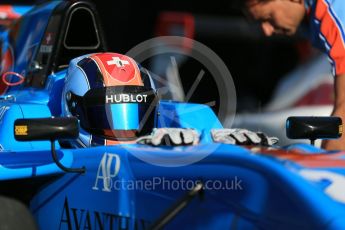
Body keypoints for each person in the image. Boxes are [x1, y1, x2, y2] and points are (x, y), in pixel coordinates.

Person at [243, 0, 345, 150]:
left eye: (268, 17)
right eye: (259, 22)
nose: (266, 30)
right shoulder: (312, 18)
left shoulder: (331, 10)